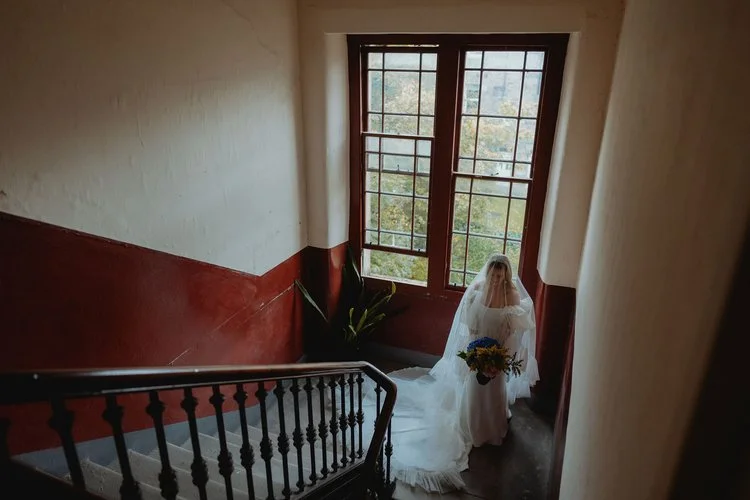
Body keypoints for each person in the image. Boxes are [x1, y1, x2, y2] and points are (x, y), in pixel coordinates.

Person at [363, 253, 539, 493]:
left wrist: (501, 359)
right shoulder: (477, 291)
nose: (496, 280)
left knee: (495, 390)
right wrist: (473, 355)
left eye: (500, 275)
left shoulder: (513, 296)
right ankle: (472, 427)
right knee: (475, 390)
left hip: (498, 352)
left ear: (506, 275)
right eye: (493, 275)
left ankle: (493, 428)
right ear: (488, 273)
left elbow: (512, 333)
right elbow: (471, 327)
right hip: (477, 350)